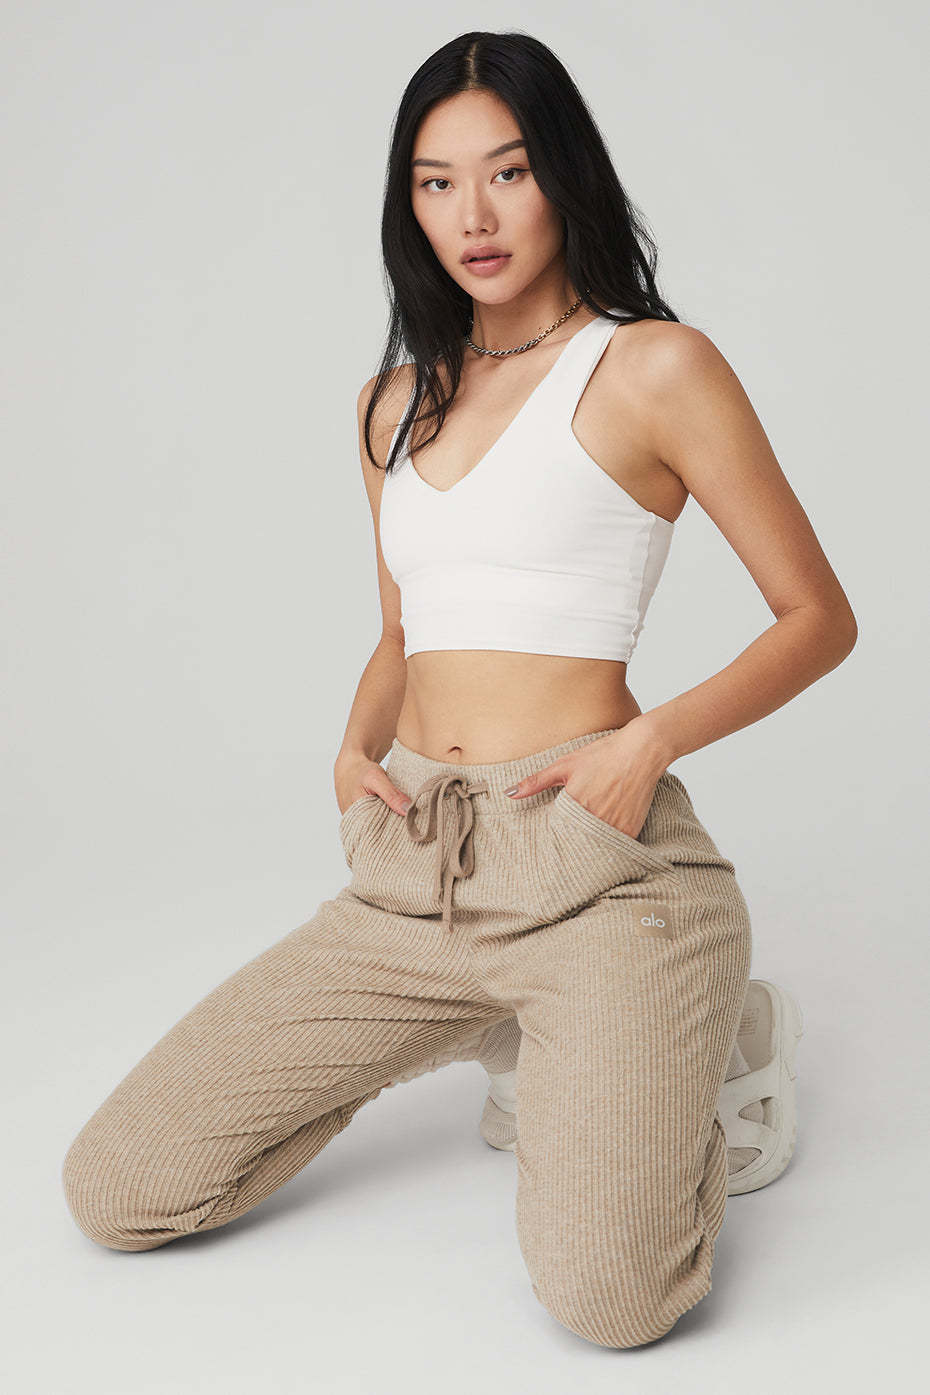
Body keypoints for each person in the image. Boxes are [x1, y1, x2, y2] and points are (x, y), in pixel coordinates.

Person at [61, 31, 856, 1350]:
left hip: (597, 860)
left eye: (507, 171)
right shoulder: (390, 406)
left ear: (565, 177)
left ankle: (713, 1037)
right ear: (408, 205)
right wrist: (352, 750)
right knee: (120, 1187)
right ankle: (516, 1029)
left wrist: (646, 744)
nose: (473, 216)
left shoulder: (652, 366)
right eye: (436, 183)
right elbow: (402, 630)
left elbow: (817, 618)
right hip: (415, 862)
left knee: (611, 1306)